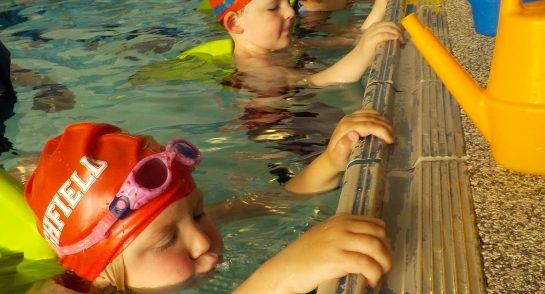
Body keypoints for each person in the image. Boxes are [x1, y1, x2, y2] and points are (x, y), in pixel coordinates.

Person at [24, 109, 394, 293]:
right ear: (101, 272)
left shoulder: (166, 225)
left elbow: (274, 201)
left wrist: (331, 161)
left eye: (198, 213)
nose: (203, 239)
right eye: (168, 239)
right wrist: (278, 278)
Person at [208, 0, 403, 88]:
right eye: (274, 7)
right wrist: (360, 56)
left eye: (288, 2)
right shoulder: (256, 68)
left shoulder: (283, 46)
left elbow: (350, 39)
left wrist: (378, 11)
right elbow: (315, 81)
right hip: (287, 133)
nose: (291, 12)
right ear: (234, 23)